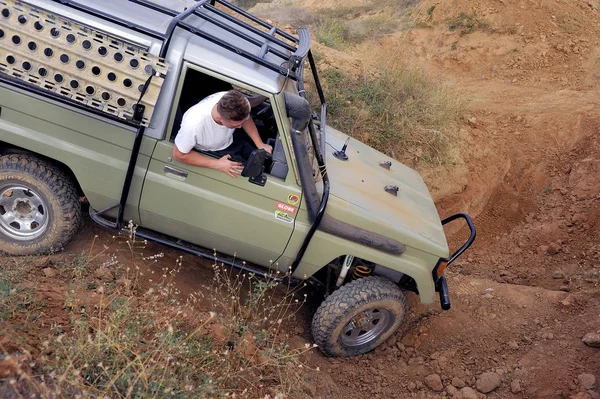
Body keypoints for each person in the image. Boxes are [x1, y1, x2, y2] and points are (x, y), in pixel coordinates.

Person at [173, 90, 273, 178]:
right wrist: (217, 164)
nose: (240, 126)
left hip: (231, 139)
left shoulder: (234, 100)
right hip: (214, 151)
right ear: (219, 118)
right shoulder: (194, 124)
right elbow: (178, 154)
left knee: (262, 160)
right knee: (249, 174)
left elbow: (246, 119)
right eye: (236, 125)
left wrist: (260, 144)